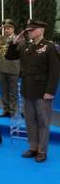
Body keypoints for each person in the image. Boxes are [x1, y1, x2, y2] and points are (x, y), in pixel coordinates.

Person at [5, 20, 60, 162]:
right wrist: (15, 41)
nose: (28, 32)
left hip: (43, 92)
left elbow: (55, 71)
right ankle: (33, 147)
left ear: (40, 30)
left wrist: (50, 91)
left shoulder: (49, 47)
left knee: (43, 122)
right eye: (28, 30)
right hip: (27, 90)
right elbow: (9, 56)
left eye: (31, 30)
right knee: (30, 121)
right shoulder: (27, 46)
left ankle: (42, 151)